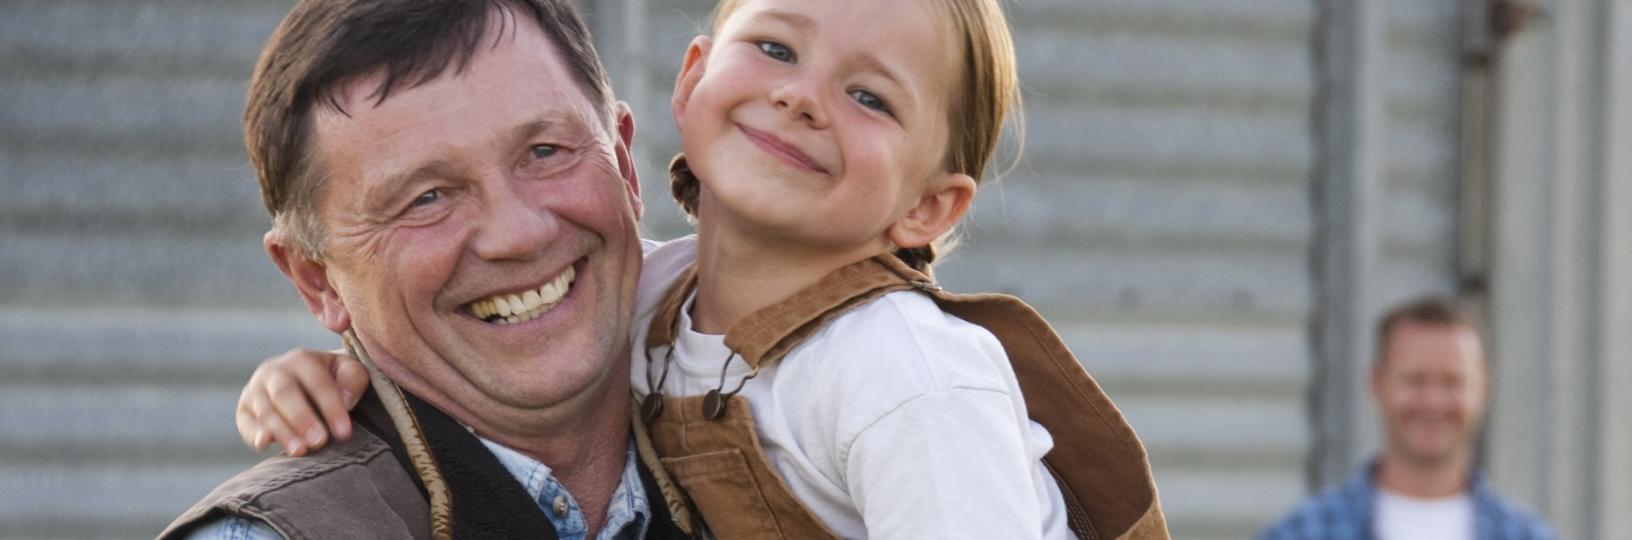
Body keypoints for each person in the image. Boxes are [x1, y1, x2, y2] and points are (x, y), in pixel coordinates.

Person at [225, 0, 1172, 538]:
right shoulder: (655, 304)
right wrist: (330, 378)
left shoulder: (908, 375)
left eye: (870, 96)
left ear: (928, 208)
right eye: (774, 47)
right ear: (692, 80)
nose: (801, 97)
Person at [159, 1, 696, 538]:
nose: (518, 234)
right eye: (427, 197)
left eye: (545, 151)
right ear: (316, 280)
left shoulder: (768, 437)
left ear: (624, 165)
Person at [1259, 297, 1556, 540]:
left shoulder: (1526, 536)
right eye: (1415, 381)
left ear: (1483, 389)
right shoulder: (1301, 534)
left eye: (1452, 382)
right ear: (1377, 383)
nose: (1433, 401)